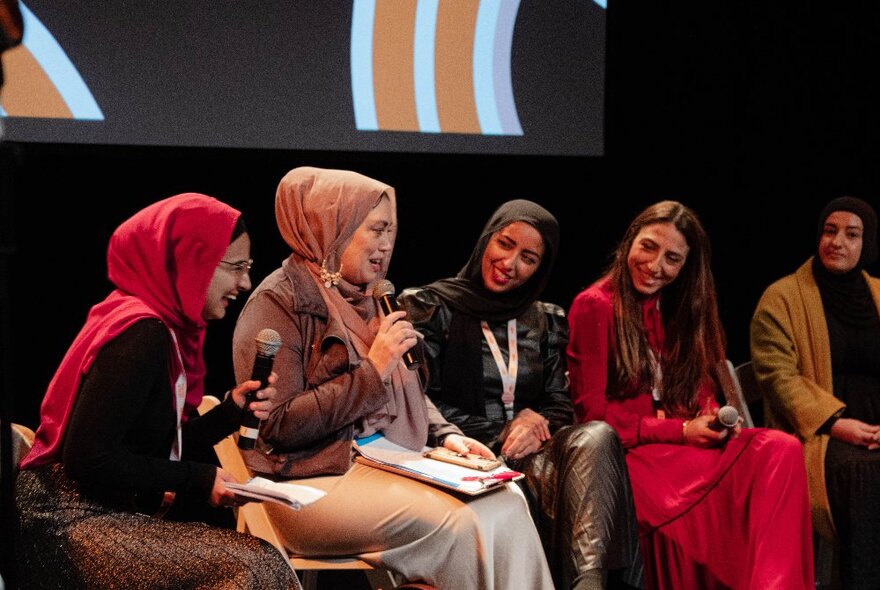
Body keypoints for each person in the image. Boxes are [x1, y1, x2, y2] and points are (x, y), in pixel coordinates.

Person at [232, 166, 555, 590]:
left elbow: (405, 387)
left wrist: (444, 435)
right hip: (306, 484)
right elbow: (279, 424)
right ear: (335, 224)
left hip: (380, 461)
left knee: (507, 503)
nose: (386, 245)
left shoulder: (366, 297)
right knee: (457, 523)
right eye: (376, 229)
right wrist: (373, 369)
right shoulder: (280, 300)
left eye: (392, 231)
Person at [14, 194, 300, 590]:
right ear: (189, 261)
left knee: (252, 559)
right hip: (65, 520)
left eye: (247, 267)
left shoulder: (157, 328)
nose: (245, 283)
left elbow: (147, 450)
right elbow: (88, 458)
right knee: (253, 565)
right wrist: (199, 478)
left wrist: (232, 411)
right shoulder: (140, 333)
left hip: (101, 509)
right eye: (235, 267)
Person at [566, 200, 814, 590]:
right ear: (630, 240)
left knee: (781, 448)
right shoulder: (594, 305)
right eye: (648, 247)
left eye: (672, 258)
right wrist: (678, 432)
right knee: (697, 515)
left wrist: (713, 417)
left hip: (690, 445)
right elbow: (593, 420)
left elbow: (702, 394)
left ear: (686, 266)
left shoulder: (686, 306)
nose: (654, 265)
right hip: (633, 453)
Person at [399, 199, 642, 590]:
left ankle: (589, 583)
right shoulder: (430, 306)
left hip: (534, 453)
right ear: (486, 240)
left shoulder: (545, 318)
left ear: (540, 268)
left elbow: (559, 403)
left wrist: (539, 420)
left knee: (597, 435)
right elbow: (419, 401)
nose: (510, 263)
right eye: (505, 244)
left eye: (528, 258)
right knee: (572, 476)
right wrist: (507, 427)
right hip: (463, 453)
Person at [750, 196, 880, 589]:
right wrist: (836, 423)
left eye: (851, 234)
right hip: (816, 437)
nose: (837, 241)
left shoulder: (878, 294)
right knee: (864, 472)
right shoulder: (783, 296)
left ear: (867, 243)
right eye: (830, 230)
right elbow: (778, 376)